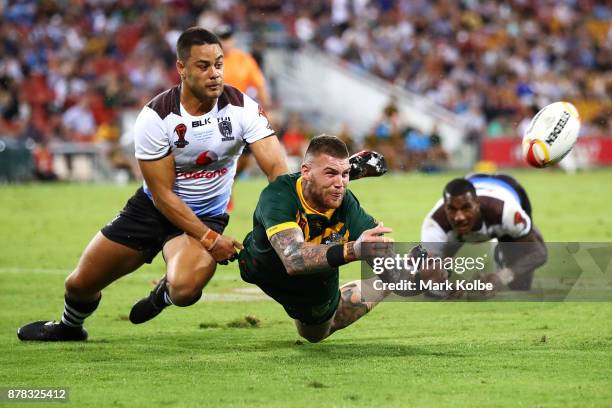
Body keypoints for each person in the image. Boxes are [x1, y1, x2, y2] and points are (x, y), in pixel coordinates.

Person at [17, 27, 290, 341]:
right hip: (151, 211)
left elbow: (277, 171)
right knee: (78, 285)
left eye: (218, 64)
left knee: (185, 289)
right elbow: (161, 194)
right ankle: (70, 327)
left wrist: (280, 225)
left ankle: (163, 294)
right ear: (181, 69)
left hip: (203, 216)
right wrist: (212, 241)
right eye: (203, 66)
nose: (214, 74)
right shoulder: (156, 117)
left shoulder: (242, 108)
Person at [237, 135, 418, 343]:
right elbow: (293, 258)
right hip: (261, 266)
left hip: (314, 282)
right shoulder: (279, 194)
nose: (340, 184)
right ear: (305, 172)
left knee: (314, 335)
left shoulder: (348, 207)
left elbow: (385, 261)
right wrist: (353, 250)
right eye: (331, 173)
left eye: (345, 174)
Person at [421, 174, 548, 295]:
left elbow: (539, 253)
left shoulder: (507, 213)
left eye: (466, 208)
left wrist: (501, 277)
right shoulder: (434, 224)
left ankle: (500, 250)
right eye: (452, 209)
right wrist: (451, 289)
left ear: (477, 204)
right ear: (445, 208)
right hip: (471, 182)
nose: (459, 217)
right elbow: (429, 281)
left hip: (509, 186)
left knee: (521, 285)